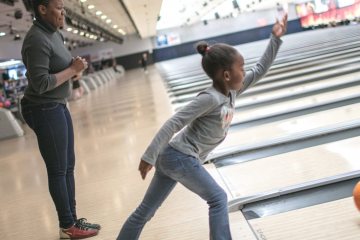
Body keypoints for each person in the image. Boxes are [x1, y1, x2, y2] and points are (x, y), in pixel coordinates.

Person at [117, 14, 288, 240]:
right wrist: (149, 154)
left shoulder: (232, 90)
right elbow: (174, 121)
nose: (245, 72)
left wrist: (275, 38)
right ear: (227, 75)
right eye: (241, 67)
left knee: (145, 211)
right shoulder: (210, 98)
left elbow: (260, 70)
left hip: (173, 157)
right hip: (180, 156)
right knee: (218, 198)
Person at [20, 0, 100, 239]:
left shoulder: (55, 34)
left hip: (58, 105)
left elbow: (60, 72)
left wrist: (75, 70)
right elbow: (41, 83)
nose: (63, 12)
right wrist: (72, 69)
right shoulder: (36, 39)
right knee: (58, 170)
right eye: (58, 7)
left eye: (64, 7)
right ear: (42, 9)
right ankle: (66, 225)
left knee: (68, 166)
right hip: (42, 108)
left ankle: (73, 220)